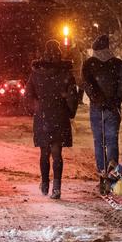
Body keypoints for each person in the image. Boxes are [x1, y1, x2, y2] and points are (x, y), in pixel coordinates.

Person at [25, 40, 79, 199]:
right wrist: (70, 112)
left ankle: (44, 184)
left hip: (42, 116)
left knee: (44, 152)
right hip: (59, 115)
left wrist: (34, 109)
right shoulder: (66, 74)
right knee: (57, 153)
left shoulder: (36, 73)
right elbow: (72, 96)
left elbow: (28, 96)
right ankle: (56, 186)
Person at [81, 34, 122, 192]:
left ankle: (102, 174)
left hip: (97, 108)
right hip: (113, 109)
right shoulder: (118, 64)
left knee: (99, 141)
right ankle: (112, 172)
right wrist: (116, 100)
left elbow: (86, 84)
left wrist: (97, 98)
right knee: (112, 140)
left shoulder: (89, 64)